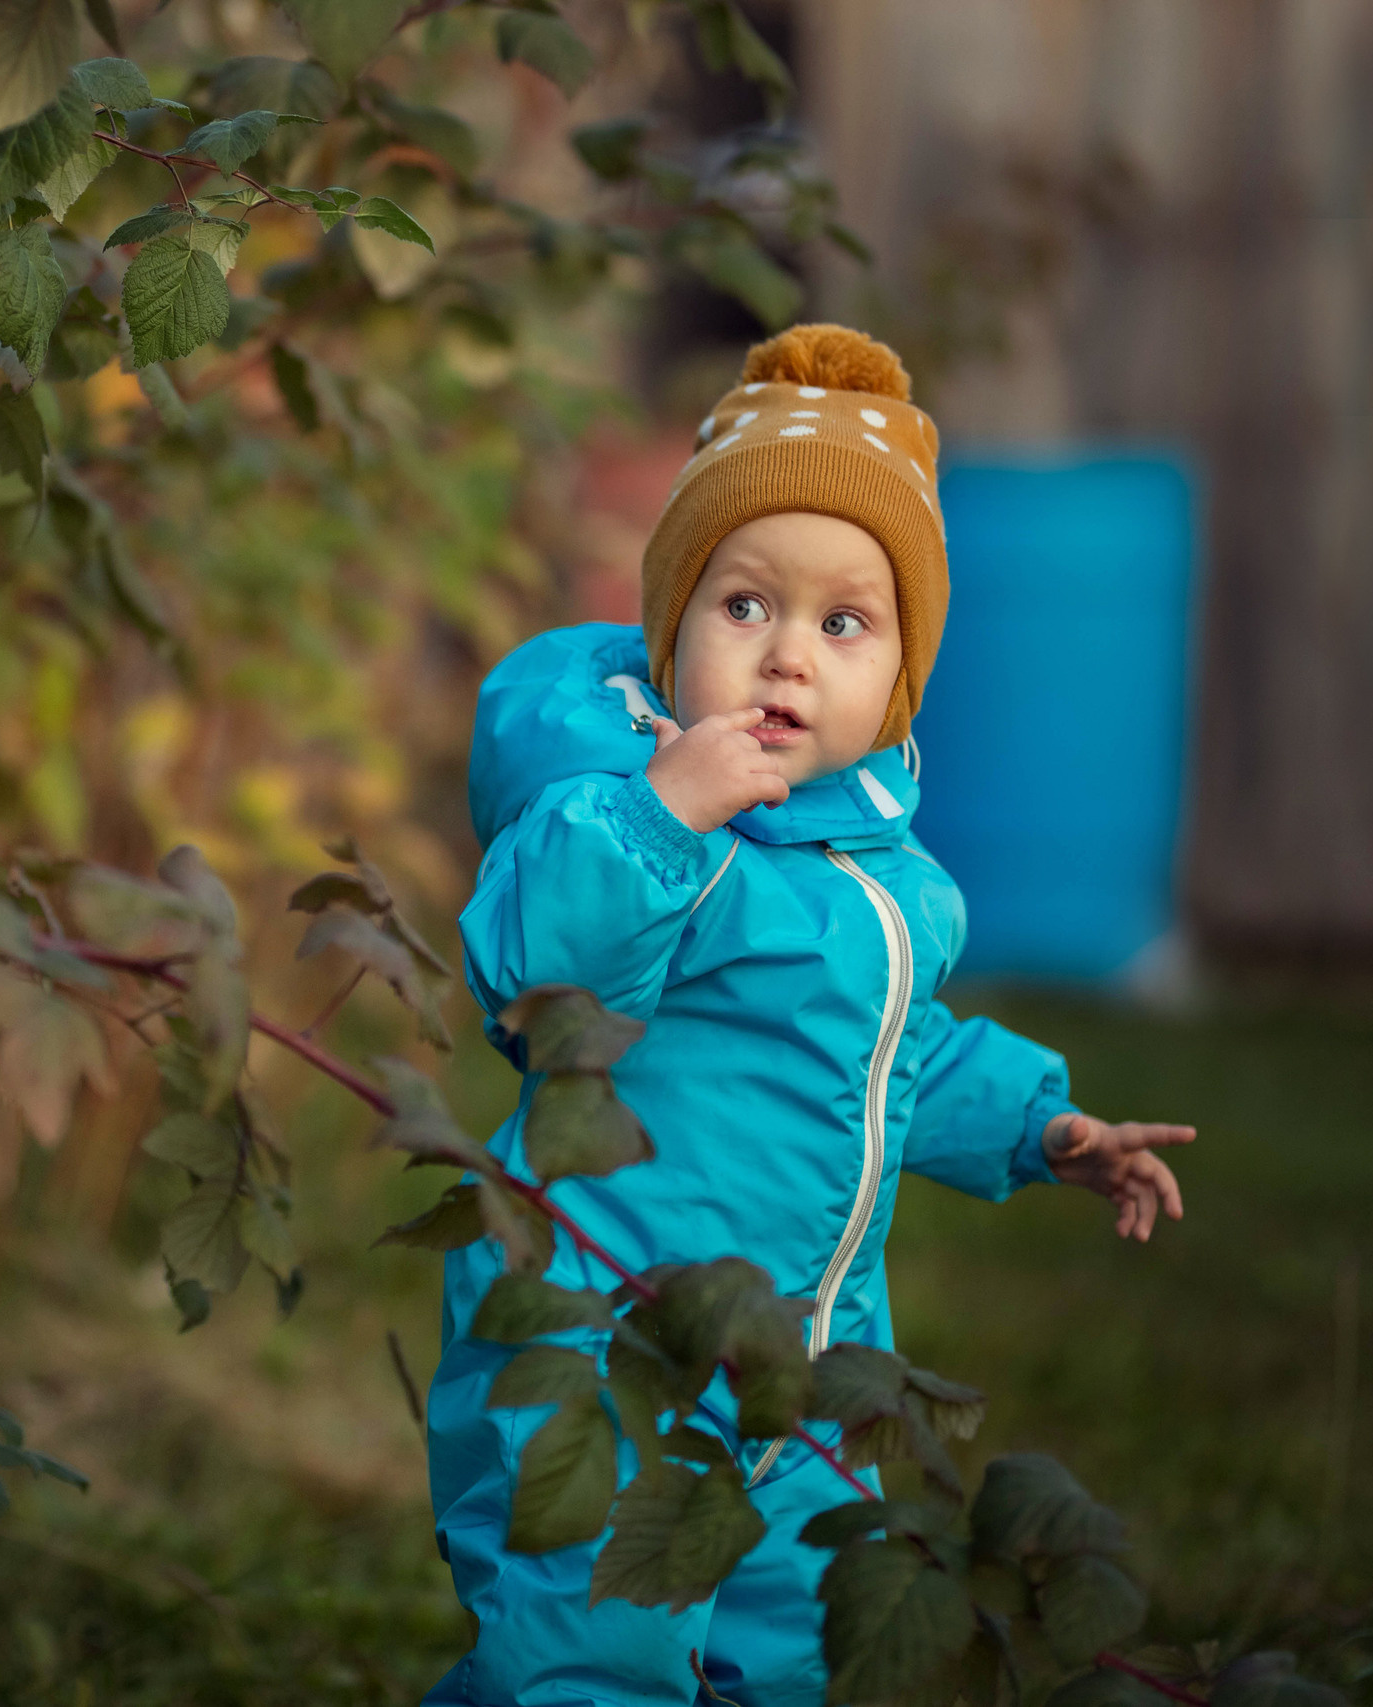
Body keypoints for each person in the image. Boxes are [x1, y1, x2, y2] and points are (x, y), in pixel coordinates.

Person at [424, 324, 1195, 1707]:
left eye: (843, 623)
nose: (787, 658)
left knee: (776, 1657)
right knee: (592, 1654)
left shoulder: (879, 869)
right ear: (673, 625)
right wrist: (663, 817)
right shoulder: (643, 811)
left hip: (805, 1365)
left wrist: (1042, 1125)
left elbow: (889, 1054)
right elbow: (541, 974)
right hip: (612, 1343)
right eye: (743, 607)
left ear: (897, 675)